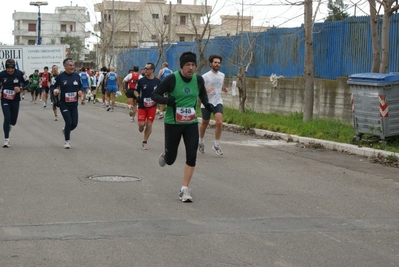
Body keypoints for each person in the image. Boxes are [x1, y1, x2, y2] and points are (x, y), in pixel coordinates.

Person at [151, 51, 213, 202]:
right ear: (182, 66)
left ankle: (184, 189)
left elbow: (203, 95)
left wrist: (207, 104)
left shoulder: (198, 80)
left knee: (192, 155)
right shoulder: (171, 79)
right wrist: (166, 101)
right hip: (173, 123)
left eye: (193, 65)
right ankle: (166, 156)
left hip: (191, 123)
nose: (190, 68)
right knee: (171, 160)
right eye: (187, 65)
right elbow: (155, 94)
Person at [199, 54, 228, 155]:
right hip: (207, 102)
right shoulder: (205, 76)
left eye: (219, 63)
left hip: (217, 101)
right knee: (205, 123)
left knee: (219, 122)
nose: (217, 64)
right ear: (211, 63)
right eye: (215, 62)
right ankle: (201, 141)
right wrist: (206, 90)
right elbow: (199, 90)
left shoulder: (222, 75)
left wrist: (224, 89)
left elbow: (219, 86)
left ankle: (216, 144)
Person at [52, 58, 83, 149]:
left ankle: (65, 130)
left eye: (73, 65)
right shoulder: (60, 77)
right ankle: (67, 141)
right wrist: (55, 90)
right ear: (65, 67)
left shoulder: (77, 76)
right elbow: (52, 86)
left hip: (74, 104)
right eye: (70, 65)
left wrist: (80, 91)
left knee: (74, 124)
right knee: (68, 122)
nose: (72, 67)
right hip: (63, 103)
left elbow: (81, 86)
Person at [0, 59, 27, 147]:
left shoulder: (19, 74)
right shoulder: (2, 74)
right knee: (7, 117)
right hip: (5, 99)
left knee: (13, 121)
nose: (10, 70)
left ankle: (10, 125)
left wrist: (21, 87)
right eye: (8, 68)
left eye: (12, 68)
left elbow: (27, 82)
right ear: (6, 67)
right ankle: (6, 140)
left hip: (15, 100)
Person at [135, 62, 160, 149]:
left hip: (152, 106)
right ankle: (141, 126)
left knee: (149, 124)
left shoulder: (157, 81)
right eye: (144, 68)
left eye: (147, 69)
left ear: (152, 70)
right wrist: (137, 96)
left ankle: (144, 141)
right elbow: (135, 90)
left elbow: (161, 92)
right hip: (142, 105)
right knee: (141, 124)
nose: (145, 70)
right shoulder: (141, 81)